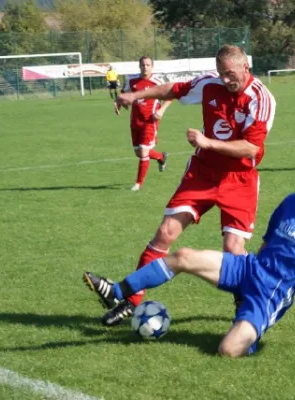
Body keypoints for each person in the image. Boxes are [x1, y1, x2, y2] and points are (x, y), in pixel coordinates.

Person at [83, 159, 295, 357]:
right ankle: (117, 290)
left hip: (270, 293)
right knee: (183, 256)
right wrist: (248, 271)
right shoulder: (292, 201)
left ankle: (250, 336)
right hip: (249, 268)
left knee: (228, 351)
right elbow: (268, 241)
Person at [97, 44, 276, 326]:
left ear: (246, 68)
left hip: (239, 179)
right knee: (165, 233)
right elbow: (174, 89)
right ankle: (130, 302)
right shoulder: (210, 84)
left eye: (230, 74)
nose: (226, 80)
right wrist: (135, 94)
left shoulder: (261, 98)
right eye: (222, 74)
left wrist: (208, 142)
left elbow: (252, 148)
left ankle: (246, 303)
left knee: (234, 250)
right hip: (203, 173)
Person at [115, 56, 172, 191]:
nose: (145, 67)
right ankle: (161, 157)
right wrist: (117, 103)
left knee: (143, 151)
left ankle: (138, 184)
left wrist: (162, 110)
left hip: (150, 121)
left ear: (152, 66)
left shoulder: (157, 81)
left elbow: (171, 95)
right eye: (143, 65)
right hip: (135, 120)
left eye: (147, 65)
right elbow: (123, 94)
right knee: (139, 153)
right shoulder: (132, 80)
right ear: (139, 66)